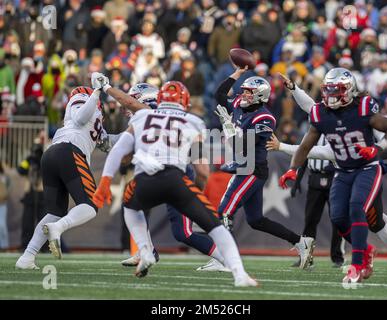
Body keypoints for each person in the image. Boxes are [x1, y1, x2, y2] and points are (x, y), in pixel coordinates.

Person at [93, 80, 257, 287]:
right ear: (185, 102)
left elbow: (120, 151)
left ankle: (146, 251)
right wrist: (195, 192)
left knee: (133, 207)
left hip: (148, 180)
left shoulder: (143, 115)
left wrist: (105, 180)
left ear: (158, 99)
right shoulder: (193, 121)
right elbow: (203, 170)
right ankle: (239, 273)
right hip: (176, 179)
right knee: (215, 227)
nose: (130, 106)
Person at [279, 67, 387, 284]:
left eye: (337, 91)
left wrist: (378, 148)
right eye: (328, 90)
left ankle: (357, 265)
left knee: (358, 209)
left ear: (349, 90)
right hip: (343, 171)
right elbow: (306, 145)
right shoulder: (321, 114)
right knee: (337, 217)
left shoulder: (362, 108)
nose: (331, 96)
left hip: (368, 168)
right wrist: (293, 169)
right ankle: (366, 252)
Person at [15, 73, 148, 269]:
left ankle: (27, 257)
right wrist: (95, 94)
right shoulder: (85, 103)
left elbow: (109, 142)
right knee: (91, 205)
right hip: (68, 151)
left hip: (52, 154)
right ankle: (57, 228)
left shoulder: (94, 119)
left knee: (55, 211)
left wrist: (139, 135)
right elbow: (79, 118)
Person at [118, 83, 228, 273]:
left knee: (183, 233)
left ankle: (225, 258)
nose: (129, 108)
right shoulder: (152, 119)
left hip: (178, 175)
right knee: (135, 205)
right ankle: (147, 250)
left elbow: (199, 164)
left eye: (134, 102)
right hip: (161, 175)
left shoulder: (157, 119)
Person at [213, 66, 314, 269]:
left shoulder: (265, 118)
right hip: (245, 168)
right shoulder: (239, 106)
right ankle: (301, 242)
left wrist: (228, 127)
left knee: (224, 211)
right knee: (256, 220)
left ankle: (225, 260)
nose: (243, 94)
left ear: (260, 96)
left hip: (252, 169)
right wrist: (238, 74)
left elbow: (242, 147)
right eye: (244, 90)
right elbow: (220, 94)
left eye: (249, 92)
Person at [0, 162, 9, 249]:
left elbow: (6, 191)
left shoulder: (3, 177)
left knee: (2, 225)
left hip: (2, 204)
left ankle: (4, 246)